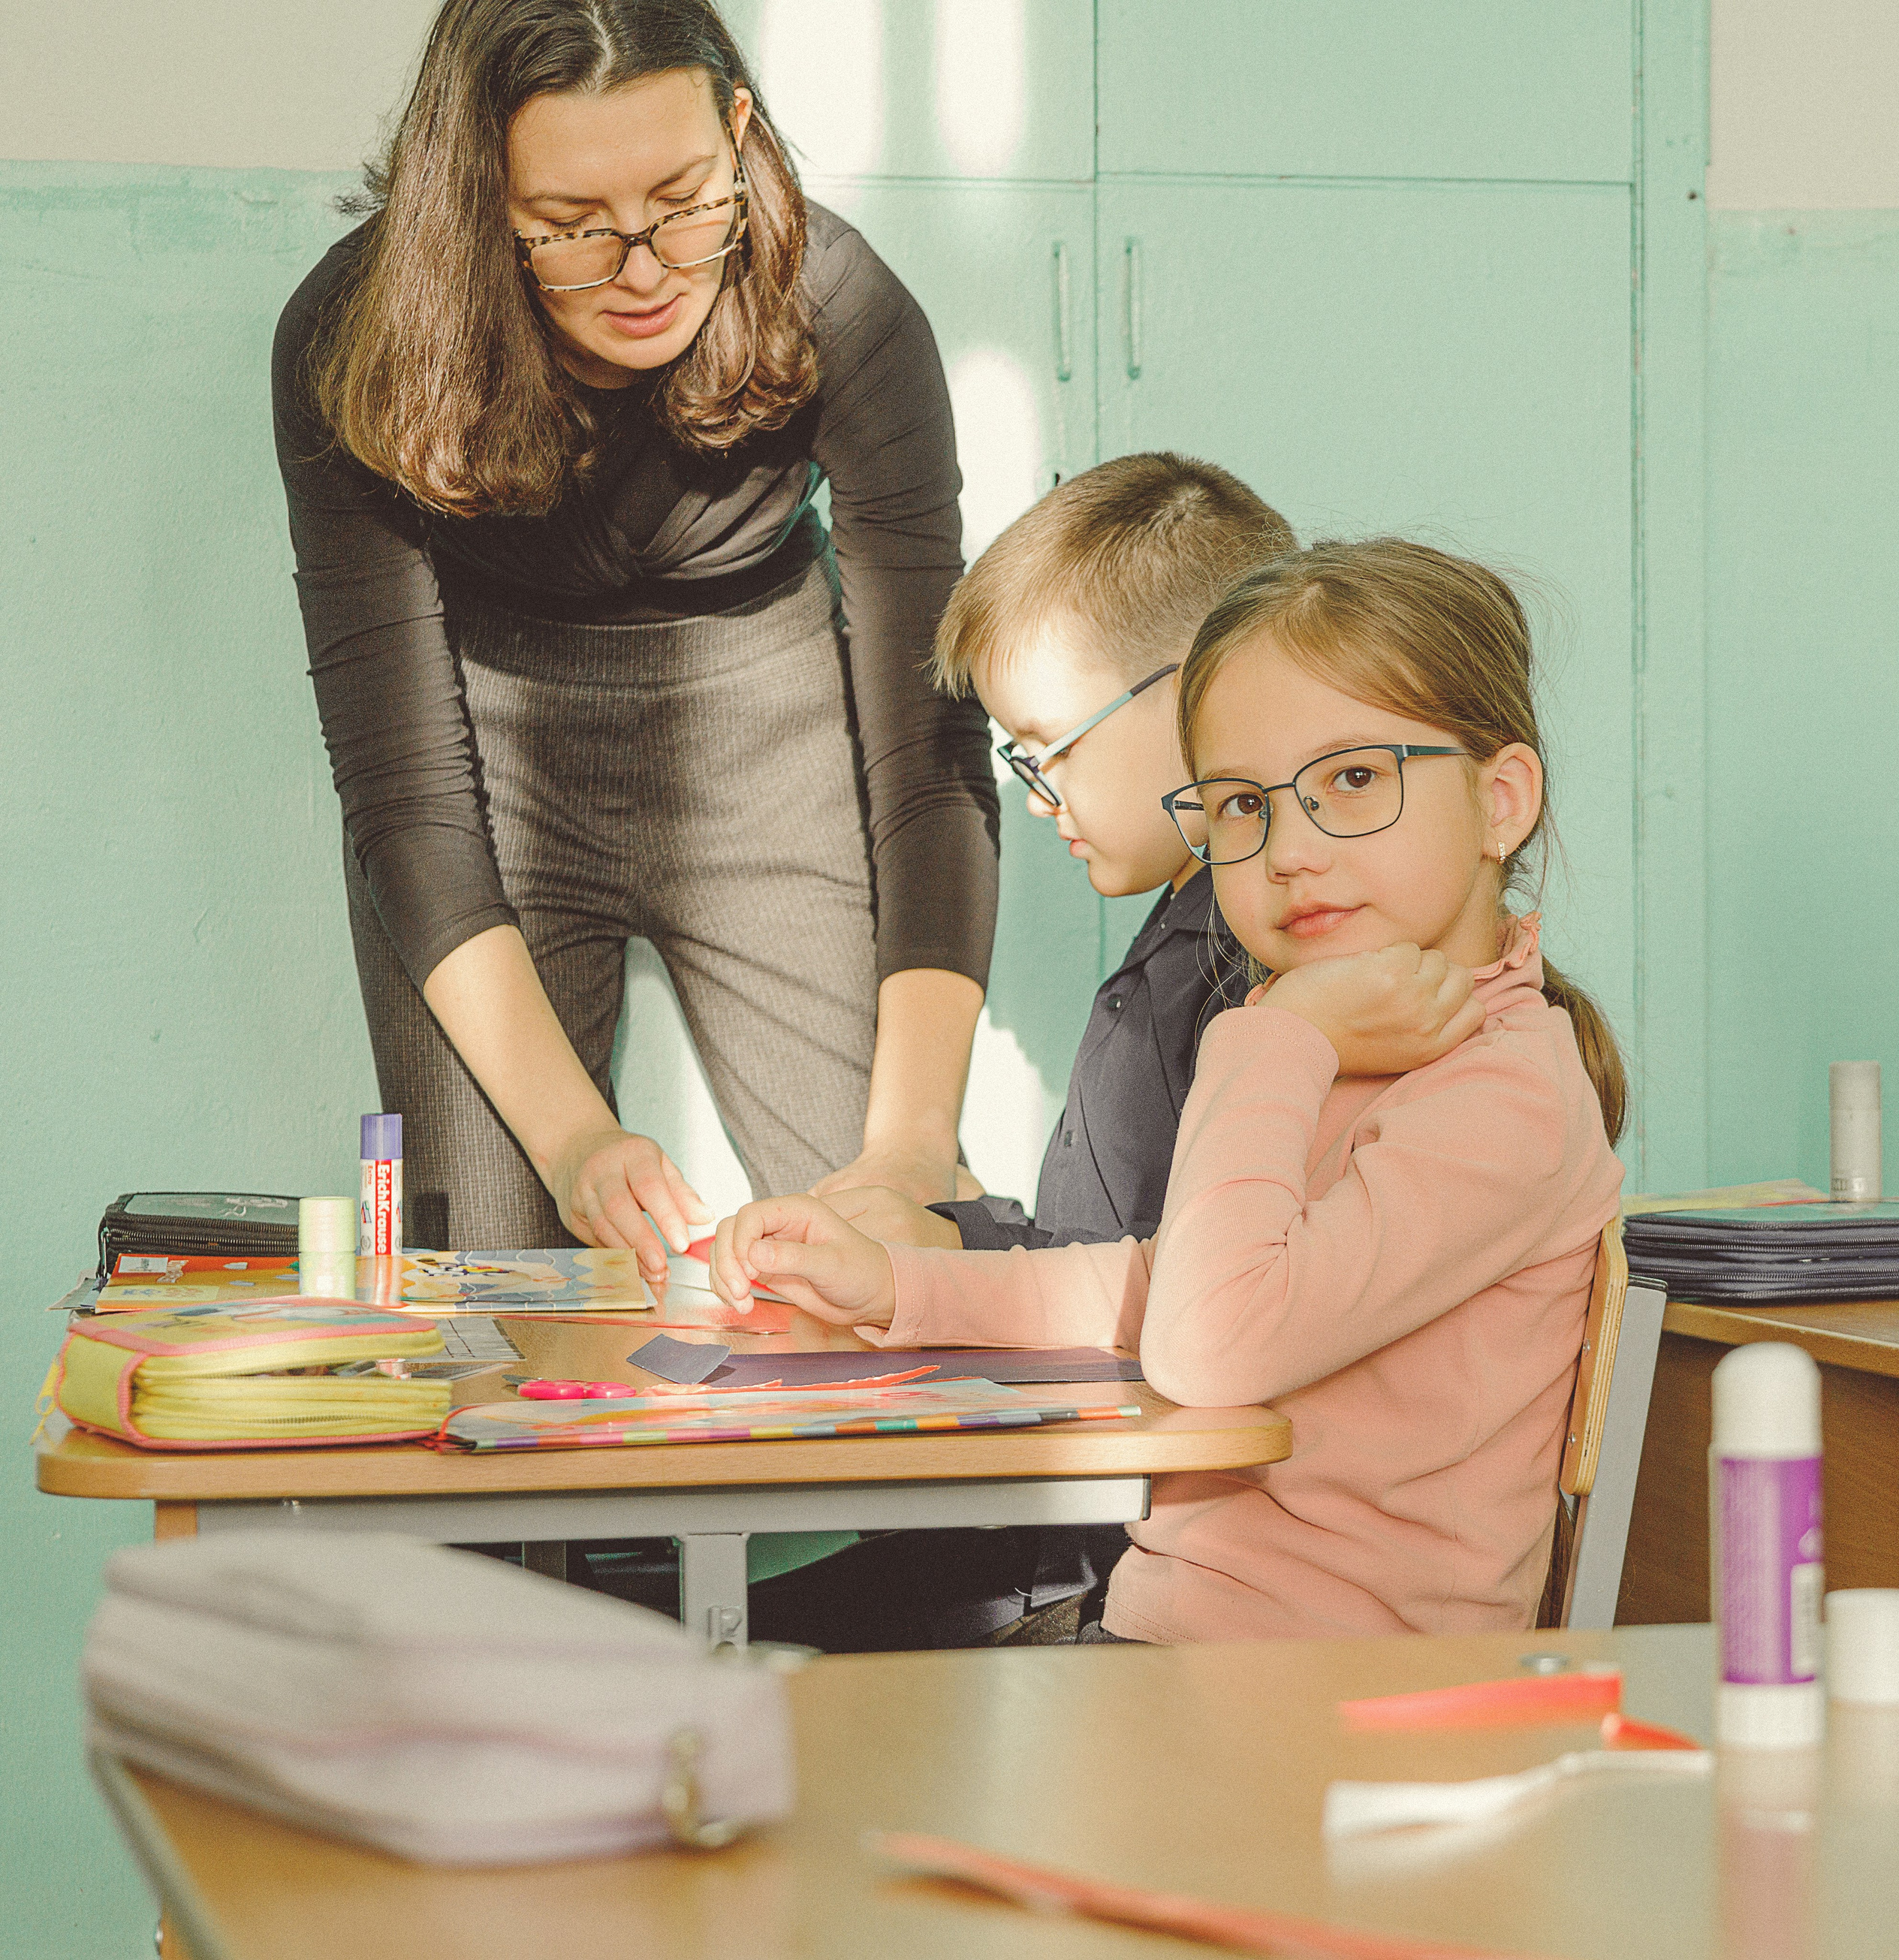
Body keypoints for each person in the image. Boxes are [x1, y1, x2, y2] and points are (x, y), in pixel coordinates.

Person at [707, 538, 1629, 1644]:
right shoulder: (1370, 1051)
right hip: (1185, 1651)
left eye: (1352, 779)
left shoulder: (1503, 1094)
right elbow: (1163, 1284)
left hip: (1314, 1698)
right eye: (1244, 804)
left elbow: (1211, 1344)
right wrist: (897, 1288)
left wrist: (1271, 1030)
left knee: (754, 1704)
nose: (1289, 848)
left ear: (1500, 801)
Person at [272, 0, 997, 1289]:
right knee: (485, 1293)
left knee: (903, 1237)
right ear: (480, 198)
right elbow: (404, 795)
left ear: (739, 131)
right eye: (570, 231)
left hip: (769, 707)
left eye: (682, 200)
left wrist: (910, 1152)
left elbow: (931, 753)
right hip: (479, 738)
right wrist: (574, 1146)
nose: (645, 268)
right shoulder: (357, 337)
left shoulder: (848, 303)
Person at [829, 454, 1296, 1260]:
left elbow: (1185, 1284)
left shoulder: (1252, 957)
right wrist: (955, 1225)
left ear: (1199, 691)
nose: (1040, 799)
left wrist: (960, 1249)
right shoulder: (1189, 922)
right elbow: (1120, 1237)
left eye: (1051, 750)